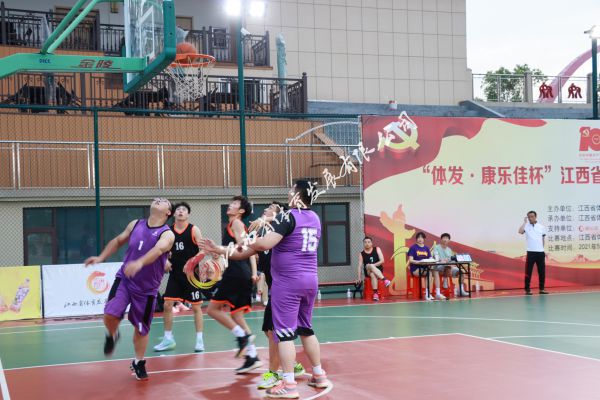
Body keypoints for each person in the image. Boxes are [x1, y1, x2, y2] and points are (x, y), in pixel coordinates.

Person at [201, 181, 332, 399]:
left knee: (284, 335)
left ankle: (289, 385)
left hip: (288, 283)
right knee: (306, 330)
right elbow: (245, 252)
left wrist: (248, 239)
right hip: (310, 280)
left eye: (291, 189)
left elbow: (262, 245)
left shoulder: (287, 218)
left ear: (296, 195)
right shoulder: (314, 218)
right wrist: (221, 250)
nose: (288, 192)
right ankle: (319, 375)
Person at [84, 198, 175, 381]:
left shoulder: (167, 234)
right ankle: (112, 334)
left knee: (141, 329)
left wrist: (139, 262)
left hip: (147, 290)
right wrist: (101, 257)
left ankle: (138, 362)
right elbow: (118, 241)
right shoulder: (135, 224)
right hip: (125, 280)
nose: (158, 200)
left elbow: (158, 250)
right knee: (110, 314)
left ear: (168, 213)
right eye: (157, 199)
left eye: (164, 201)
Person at [249, 202, 306, 390]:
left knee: (275, 332)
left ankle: (273, 374)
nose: (266, 208)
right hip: (276, 289)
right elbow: (250, 249)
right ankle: (292, 363)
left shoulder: (282, 233)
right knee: (269, 331)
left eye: (271, 207)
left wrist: (264, 220)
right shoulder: (265, 234)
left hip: (286, 289)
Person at [206, 195, 262, 374]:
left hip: (236, 273)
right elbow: (248, 251)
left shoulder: (236, 223)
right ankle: (252, 357)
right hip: (241, 273)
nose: (230, 205)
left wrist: (220, 249)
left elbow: (243, 247)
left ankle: (242, 336)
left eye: (235, 203)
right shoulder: (233, 225)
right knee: (237, 316)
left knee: (212, 310)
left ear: (241, 211)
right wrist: (253, 272)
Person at [154, 202, 207, 353]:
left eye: (184, 210)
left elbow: (203, 251)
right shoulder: (168, 231)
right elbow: (162, 250)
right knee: (167, 304)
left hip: (191, 276)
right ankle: (168, 339)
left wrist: (192, 262)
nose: (181, 211)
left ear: (188, 214)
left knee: (196, 307)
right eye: (178, 209)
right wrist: (165, 260)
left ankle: (199, 340)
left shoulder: (194, 229)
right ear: (173, 214)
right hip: (175, 274)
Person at [407, 232, 445, 301]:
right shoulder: (413, 247)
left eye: (422, 237)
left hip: (425, 267)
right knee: (429, 273)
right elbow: (411, 260)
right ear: (416, 239)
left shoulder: (426, 248)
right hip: (416, 269)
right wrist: (419, 262)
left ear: (424, 239)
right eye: (418, 237)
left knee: (435, 271)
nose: (420, 239)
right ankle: (428, 294)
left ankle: (438, 293)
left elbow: (430, 258)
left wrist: (434, 260)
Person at [518, 211, 548, 295]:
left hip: (540, 253)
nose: (530, 218)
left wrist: (542, 249)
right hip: (531, 252)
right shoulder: (526, 226)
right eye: (529, 217)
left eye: (532, 216)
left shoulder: (541, 227)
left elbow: (542, 239)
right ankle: (527, 289)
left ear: (535, 217)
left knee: (542, 272)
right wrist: (524, 222)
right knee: (528, 271)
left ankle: (542, 289)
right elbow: (520, 231)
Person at [357, 236, 391, 301]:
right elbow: (360, 266)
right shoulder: (361, 254)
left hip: (378, 270)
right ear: (363, 244)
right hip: (368, 270)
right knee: (368, 265)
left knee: (373, 274)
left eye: (368, 242)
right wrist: (359, 277)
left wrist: (373, 265)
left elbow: (382, 261)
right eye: (365, 242)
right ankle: (385, 280)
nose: (367, 243)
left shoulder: (377, 249)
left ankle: (375, 293)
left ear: (371, 243)